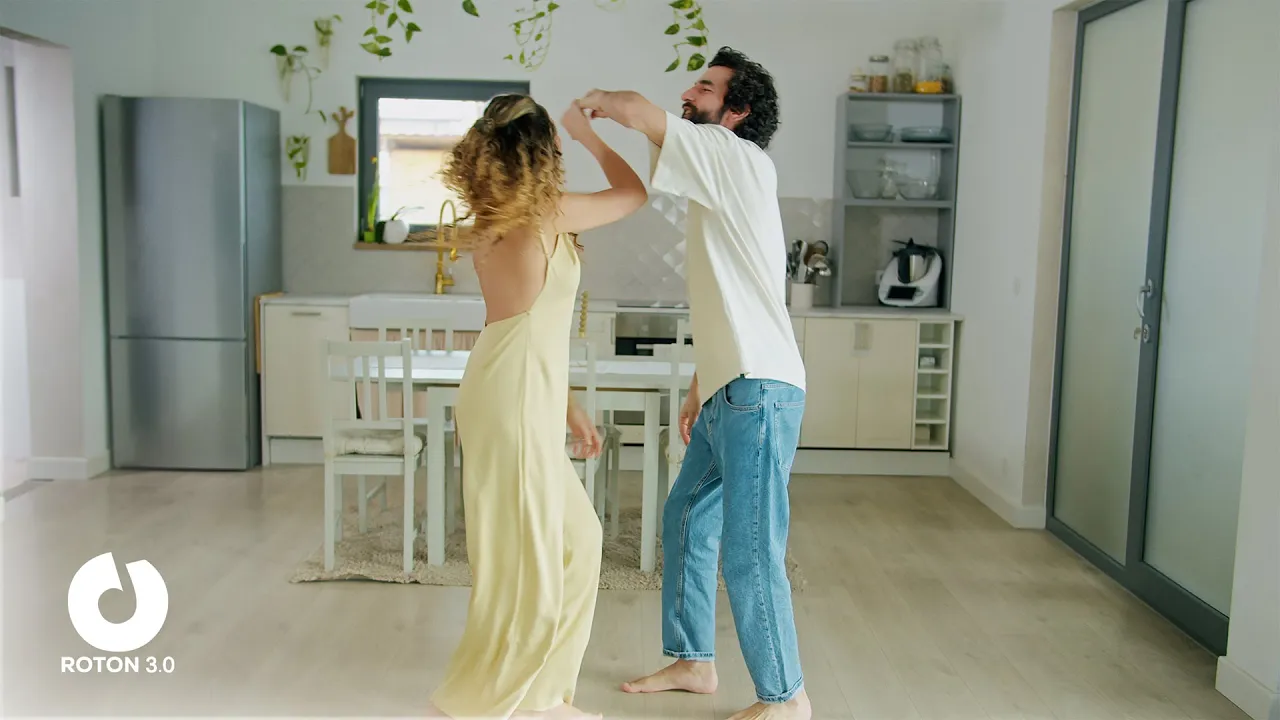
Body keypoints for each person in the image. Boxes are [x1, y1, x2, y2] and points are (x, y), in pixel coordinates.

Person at [576, 47, 811, 720]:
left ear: (736, 111)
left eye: (706, 87)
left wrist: (597, 102)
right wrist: (701, 383)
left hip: (759, 390)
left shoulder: (736, 156)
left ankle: (786, 699)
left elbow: (639, 111)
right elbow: (733, 293)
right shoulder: (719, 174)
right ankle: (693, 661)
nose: (690, 91)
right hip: (730, 387)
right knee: (684, 519)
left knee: (751, 550)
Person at [426, 93, 647, 719]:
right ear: (543, 148)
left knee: (575, 540)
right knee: (536, 558)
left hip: (511, 387)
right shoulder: (546, 212)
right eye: (555, 140)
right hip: (515, 396)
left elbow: (528, 326)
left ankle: (540, 691)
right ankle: (520, 701)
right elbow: (634, 194)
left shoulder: (496, 215)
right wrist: (593, 137)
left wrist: (567, 405)